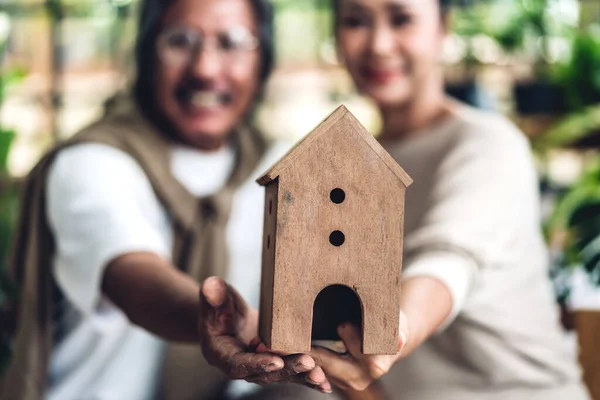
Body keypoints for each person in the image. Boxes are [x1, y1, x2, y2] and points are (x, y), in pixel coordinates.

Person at [1, 0, 333, 399]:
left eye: (232, 42)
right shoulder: (92, 161)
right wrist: (215, 317)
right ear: (146, 51)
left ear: (263, 57)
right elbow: (135, 274)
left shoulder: (282, 169)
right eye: (180, 40)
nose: (205, 69)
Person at [296, 0, 592, 399]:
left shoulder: (488, 146)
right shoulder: (349, 168)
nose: (379, 44)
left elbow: (448, 260)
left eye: (402, 19)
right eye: (355, 21)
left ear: (443, 27)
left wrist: (395, 331)